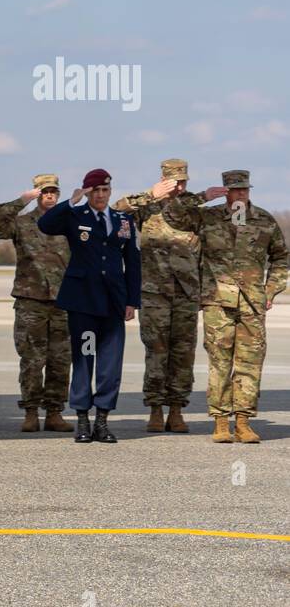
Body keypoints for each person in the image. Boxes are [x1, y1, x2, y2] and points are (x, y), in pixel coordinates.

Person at [164, 170, 288, 444]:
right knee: (220, 362)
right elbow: (172, 217)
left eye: (245, 189)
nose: (241, 194)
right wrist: (200, 198)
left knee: (250, 363)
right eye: (235, 190)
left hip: (252, 304)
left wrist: (270, 290)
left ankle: (243, 421)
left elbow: (281, 259)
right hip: (217, 301)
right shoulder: (207, 218)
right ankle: (221, 422)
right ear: (225, 191)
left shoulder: (264, 220)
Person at [37, 169, 141, 444]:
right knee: (84, 360)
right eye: (95, 191)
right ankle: (82, 419)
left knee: (110, 364)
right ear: (87, 192)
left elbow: (132, 262)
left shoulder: (123, 220)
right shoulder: (75, 216)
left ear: (110, 191)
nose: (100, 195)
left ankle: (102, 421)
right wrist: (71, 202)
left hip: (113, 303)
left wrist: (132, 301)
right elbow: (45, 225)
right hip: (83, 303)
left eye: (105, 190)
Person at [113, 159, 203, 433]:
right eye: (174, 182)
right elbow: (117, 209)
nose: (179, 187)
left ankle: (176, 410)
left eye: (182, 181)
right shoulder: (147, 207)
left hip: (187, 293)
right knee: (156, 351)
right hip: (153, 293)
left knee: (183, 354)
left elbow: (209, 249)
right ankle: (154, 408)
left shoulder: (194, 208)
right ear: (163, 180)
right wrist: (151, 194)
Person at [0, 174, 73, 432]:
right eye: (44, 191)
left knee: (60, 359)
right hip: (30, 300)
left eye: (53, 191)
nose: (49, 195)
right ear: (37, 193)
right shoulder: (22, 223)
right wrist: (21, 201)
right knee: (32, 359)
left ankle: (55, 412)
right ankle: (31, 411)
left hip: (63, 301)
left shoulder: (68, 222)